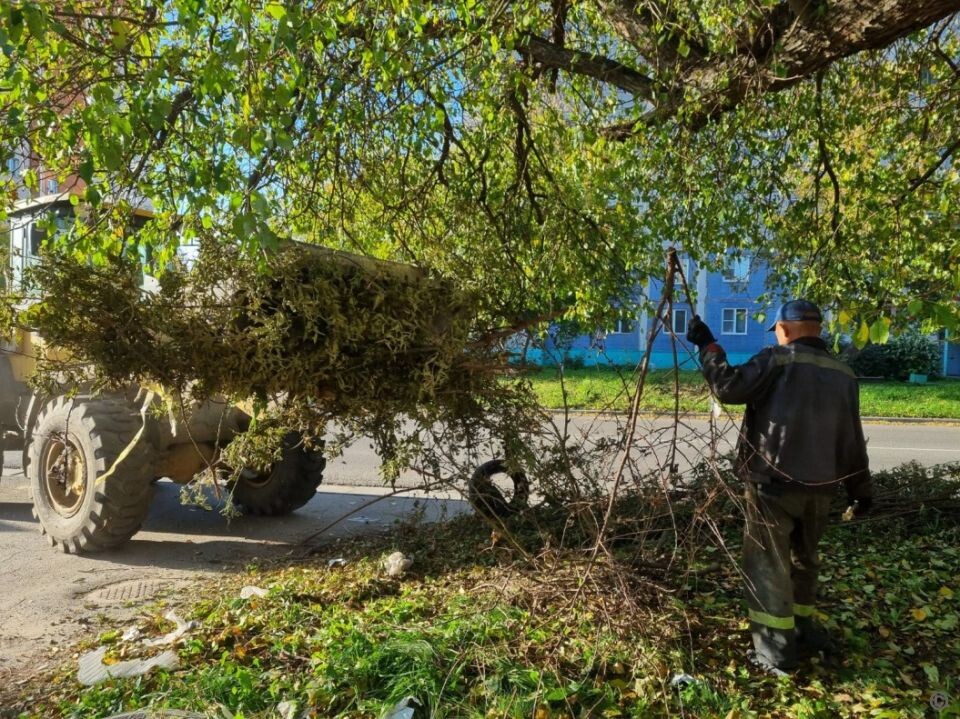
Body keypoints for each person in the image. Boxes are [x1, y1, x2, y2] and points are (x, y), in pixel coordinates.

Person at [685, 299, 873, 675]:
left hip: (773, 487)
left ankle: (775, 655)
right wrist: (861, 490)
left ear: (784, 329)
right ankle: (804, 628)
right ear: (818, 329)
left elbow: (728, 387)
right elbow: (852, 437)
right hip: (822, 489)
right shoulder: (843, 373)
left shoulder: (776, 360)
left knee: (768, 568)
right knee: (805, 561)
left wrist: (708, 346)